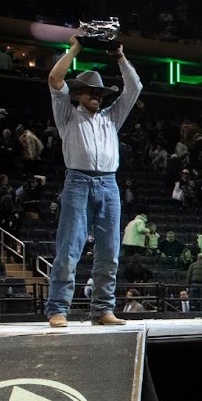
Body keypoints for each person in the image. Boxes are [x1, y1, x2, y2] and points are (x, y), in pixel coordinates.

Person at [44, 33, 142, 327]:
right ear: (78, 95)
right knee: (69, 248)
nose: (96, 97)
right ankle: (57, 309)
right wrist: (76, 48)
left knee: (109, 251)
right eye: (90, 93)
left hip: (108, 184)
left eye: (99, 94)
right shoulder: (67, 114)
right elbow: (54, 78)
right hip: (78, 182)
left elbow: (135, 87)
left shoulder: (111, 117)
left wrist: (120, 56)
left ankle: (102, 310)